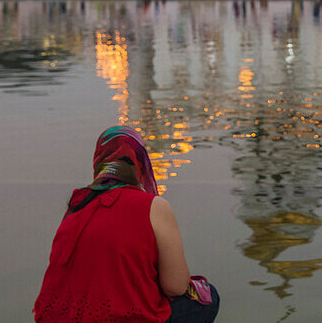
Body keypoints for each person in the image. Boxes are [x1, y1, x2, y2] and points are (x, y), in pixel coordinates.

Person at [34, 126, 219, 323]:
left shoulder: (77, 206)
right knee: (208, 297)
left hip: (61, 317)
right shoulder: (154, 206)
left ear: (98, 162)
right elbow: (175, 286)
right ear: (139, 163)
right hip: (120, 317)